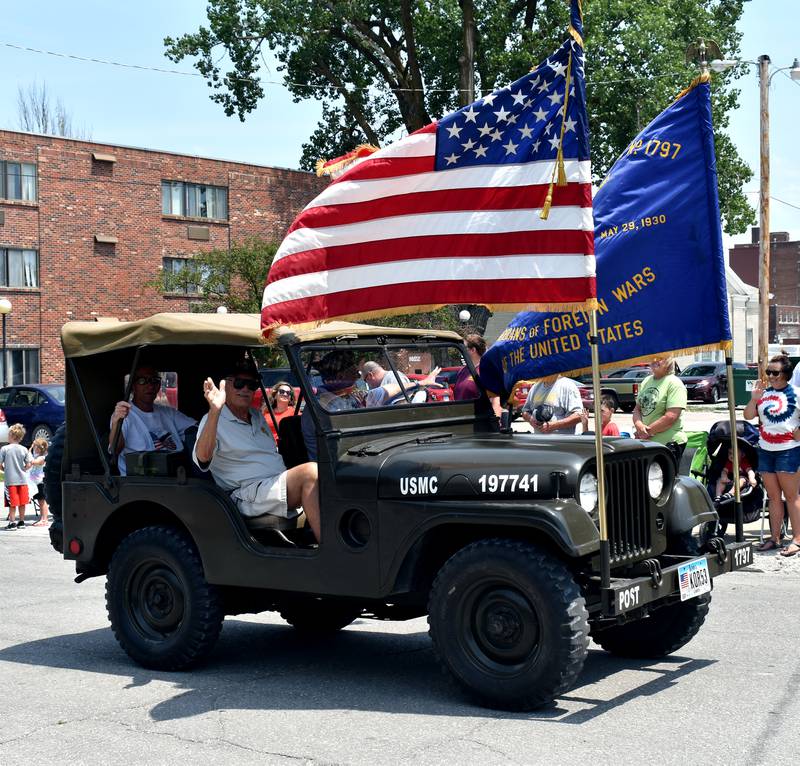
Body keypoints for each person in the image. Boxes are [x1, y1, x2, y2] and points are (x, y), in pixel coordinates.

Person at [194, 362, 321, 541]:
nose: (245, 389)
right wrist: (215, 410)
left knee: (333, 474)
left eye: (251, 385)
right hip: (245, 494)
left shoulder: (257, 416)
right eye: (239, 383)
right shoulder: (212, 420)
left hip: (272, 484)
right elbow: (202, 458)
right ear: (226, 385)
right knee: (311, 473)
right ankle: (333, 554)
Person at [303, 350, 439, 459]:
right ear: (340, 376)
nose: (357, 376)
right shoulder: (324, 404)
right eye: (353, 372)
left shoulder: (349, 396)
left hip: (355, 459)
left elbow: (385, 391)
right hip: (332, 468)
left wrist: (419, 383)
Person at [744, 354, 800, 556]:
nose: (771, 376)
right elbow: (748, 415)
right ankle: (774, 538)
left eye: (775, 372)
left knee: (792, 496)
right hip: (766, 449)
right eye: (769, 372)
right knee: (773, 498)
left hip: (789, 450)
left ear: (786, 374)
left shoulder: (796, 393)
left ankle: (797, 539)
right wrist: (754, 399)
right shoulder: (764, 394)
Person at [109, 365, 197, 476]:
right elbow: (115, 450)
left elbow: (196, 429)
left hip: (176, 476)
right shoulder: (124, 415)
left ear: (159, 385)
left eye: (154, 381)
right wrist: (116, 422)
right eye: (142, 381)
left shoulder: (168, 413)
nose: (150, 386)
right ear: (132, 387)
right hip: (141, 482)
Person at [631, 356, 687, 463]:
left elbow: (671, 417)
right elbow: (637, 409)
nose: (655, 360)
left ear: (670, 361)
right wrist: (639, 425)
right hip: (646, 442)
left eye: (660, 358)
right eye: (653, 357)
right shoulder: (646, 381)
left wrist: (645, 433)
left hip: (668, 445)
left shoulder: (675, 383)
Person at [453, 334, 503, 417]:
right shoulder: (462, 371)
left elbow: (495, 400)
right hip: (461, 420)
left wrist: (496, 422)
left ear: (473, 350)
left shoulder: (486, 371)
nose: (461, 352)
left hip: (479, 421)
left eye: (464, 348)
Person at [2, 424, 32, 529]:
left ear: (11, 435)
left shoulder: (5, 449)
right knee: (22, 502)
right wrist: (23, 470)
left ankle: (12, 522)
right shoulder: (24, 449)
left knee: (12, 503)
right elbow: (29, 464)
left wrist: (4, 469)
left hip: (10, 481)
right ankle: (21, 522)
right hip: (22, 480)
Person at [28, 437, 50, 526]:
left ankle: (44, 519)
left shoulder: (42, 458)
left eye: (35, 447)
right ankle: (42, 518)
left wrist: (29, 450)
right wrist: (31, 448)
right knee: (40, 501)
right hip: (35, 483)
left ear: (39, 448)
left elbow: (33, 462)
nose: (34, 448)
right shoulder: (36, 455)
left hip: (41, 482)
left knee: (42, 501)